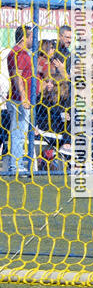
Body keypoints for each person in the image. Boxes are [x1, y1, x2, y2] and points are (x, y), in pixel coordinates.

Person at [6, 24, 34, 175]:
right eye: (31, 36)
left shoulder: (16, 52)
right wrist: (24, 97)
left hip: (18, 99)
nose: (33, 40)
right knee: (18, 134)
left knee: (20, 134)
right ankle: (15, 166)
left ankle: (17, 164)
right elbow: (18, 75)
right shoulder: (20, 53)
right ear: (24, 37)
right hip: (19, 100)